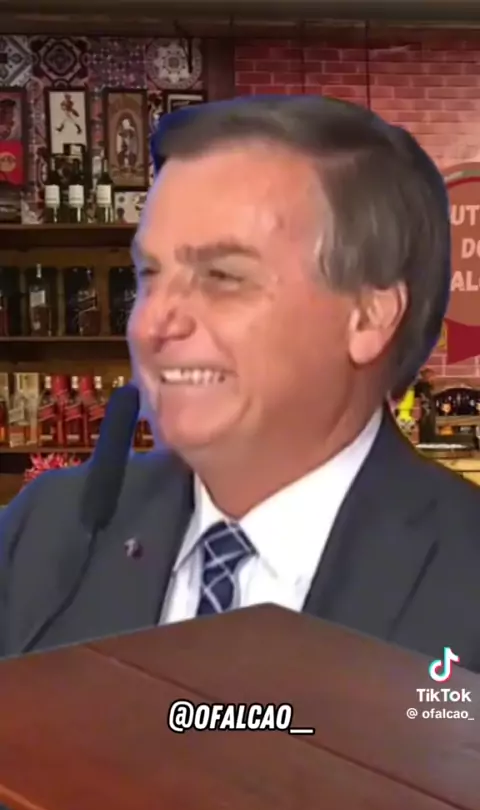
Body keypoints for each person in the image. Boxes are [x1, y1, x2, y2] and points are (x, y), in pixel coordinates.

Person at [1, 95, 480, 675]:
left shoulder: (464, 572)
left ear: (367, 318)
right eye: (150, 275)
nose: (152, 324)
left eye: (222, 277)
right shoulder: (47, 531)